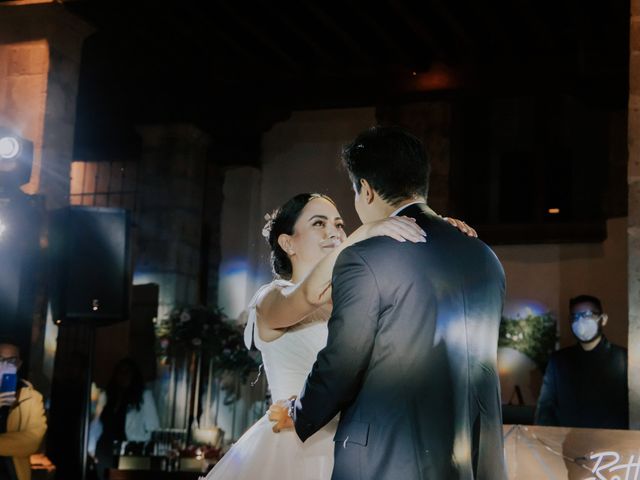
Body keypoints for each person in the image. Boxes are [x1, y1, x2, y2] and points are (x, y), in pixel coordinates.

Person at [270, 126, 507, 479]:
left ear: (365, 190)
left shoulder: (367, 256)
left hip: (389, 459)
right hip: (472, 457)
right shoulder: (484, 255)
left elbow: (343, 361)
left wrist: (299, 410)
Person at [203, 191, 475, 480]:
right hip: (293, 445)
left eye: (339, 224)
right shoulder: (270, 299)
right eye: (319, 223)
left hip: (356, 447)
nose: (334, 232)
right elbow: (308, 295)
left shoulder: (356, 302)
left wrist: (434, 233)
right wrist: (367, 232)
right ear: (287, 243)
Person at [535, 294, 628, 429]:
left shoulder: (624, 359)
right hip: (567, 443)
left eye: (588, 315)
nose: (581, 321)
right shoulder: (559, 362)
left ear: (603, 319)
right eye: (575, 316)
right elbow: (545, 408)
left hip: (613, 445)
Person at [88, 358, 160, 479]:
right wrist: (91, 447)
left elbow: (153, 426)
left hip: (129, 451)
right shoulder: (109, 396)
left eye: (127, 372)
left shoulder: (143, 397)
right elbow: (98, 422)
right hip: (105, 448)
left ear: (133, 375)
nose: (123, 376)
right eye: (120, 372)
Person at [0, 336, 47, 480]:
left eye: (11, 361)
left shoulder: (32, 398)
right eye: (0, 359)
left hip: (11, 474)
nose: (5, 365)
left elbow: (32, 441)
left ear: (19, 364)